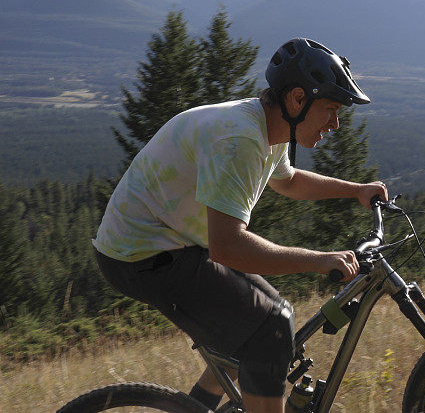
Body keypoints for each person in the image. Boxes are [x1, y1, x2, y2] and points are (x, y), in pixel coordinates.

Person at [92, 37, 387, 413]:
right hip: (141, 256)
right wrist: (320, 259)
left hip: (165, 243)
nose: (336, 123)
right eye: (330, 108)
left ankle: (197, 407)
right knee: (272, 328)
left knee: (269, 317)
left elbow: (289, 181)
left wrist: (356, 191)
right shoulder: (241, 138)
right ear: (298, 99)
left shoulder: (270, 127)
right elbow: (228, 248)